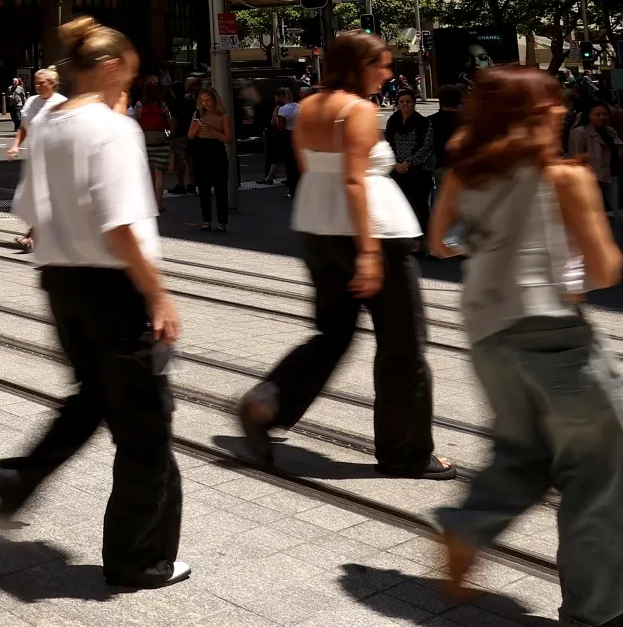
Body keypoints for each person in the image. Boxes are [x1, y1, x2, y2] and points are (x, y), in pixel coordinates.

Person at [0, 17, 188, 590]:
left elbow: (27, 209)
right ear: (108, 68)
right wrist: (158, 294)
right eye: (129, 72)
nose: (133, 85)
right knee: (146, 432)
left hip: (61, 283)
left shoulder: (49, 124)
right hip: (116, 291)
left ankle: (18, 477)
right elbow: (122, 223)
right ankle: (138, 559)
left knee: (95, 397)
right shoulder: (111, 128)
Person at [427, 66, 623, 623]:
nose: (563, 110)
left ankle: (468, 528)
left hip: (490, 335)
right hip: (557, 338)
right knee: (599, 472)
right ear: (539, 112)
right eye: (555, 103)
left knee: (523, 453)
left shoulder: (466, 168)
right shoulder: (564, 176)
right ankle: (597, 612)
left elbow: (439, 242)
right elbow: (605, 269)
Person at [238, 32, 454, 479]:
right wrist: (370, 254)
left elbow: (308, 168)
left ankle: (267, 403)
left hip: (317, 229)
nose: (388, 74)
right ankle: (406, 452)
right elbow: (355, 181)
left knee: (331, 335)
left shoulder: (309, 107)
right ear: (358, 66)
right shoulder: (356, 110)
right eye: (381, 65)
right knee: (402, 346)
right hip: (373, 233)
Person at [7, 67, 67, 253]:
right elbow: (24, 128)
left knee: (47, 198)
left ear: (52, 84)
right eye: (36, 83)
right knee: (35, 198)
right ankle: (38, 234)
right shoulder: (32, 102)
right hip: (36, 159)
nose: (38, 86)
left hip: (56, 159)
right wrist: (15, 145)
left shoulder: (62, 103)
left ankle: (33, 236)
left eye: (42, 83)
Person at [385, 91, 437, 239]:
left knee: (419, 206)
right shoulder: (392, 121)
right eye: (401, 102)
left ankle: (424, 242)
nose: (405, 104)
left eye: (408, 101)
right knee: (400, 206)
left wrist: (408, 162)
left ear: (414, 103)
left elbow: (426, 146)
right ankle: (406, 241)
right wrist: (396, 163)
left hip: (419, 170)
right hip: (397, 169)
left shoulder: (424, 122)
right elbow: (387, 143)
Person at [187, 86, 233, 233]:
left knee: (221, 188)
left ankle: (222, 222)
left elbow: (229, 138)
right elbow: (190, 135)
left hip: (217, 151)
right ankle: (206, 220)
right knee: (203, 188)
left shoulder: (224, 116)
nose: (205, 103)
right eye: (203, 100)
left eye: (208, 100)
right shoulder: (198, 114)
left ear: (215, 100)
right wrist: (198, 127)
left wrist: (213, 131)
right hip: (201, 151)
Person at [566, 101, 619, 216]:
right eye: (597, 114)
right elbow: (575, 157)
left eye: (605, 114)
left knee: (613, 212)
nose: (601, 117)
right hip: (593, 178)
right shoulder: (579, 133)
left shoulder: (610, 131)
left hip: (611, 175)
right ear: (589, 115)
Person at [136, 82, 175, 198]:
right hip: (160, 141)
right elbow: (169, 120)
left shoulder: (140, 104)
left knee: (150, 173)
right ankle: (158, 203)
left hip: (145, 141)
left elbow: (137, 120)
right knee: (159, 173)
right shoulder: (162, 104)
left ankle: (151, 201)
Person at [263, 87, 293, 183]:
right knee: (285, 157)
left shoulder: (280, 108)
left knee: (277, 156)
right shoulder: (295, 106)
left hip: (279, 135)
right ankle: (271, 176)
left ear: (280, 96)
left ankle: (270, 177)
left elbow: (275, 123)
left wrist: (275, 115)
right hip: (290, 133)